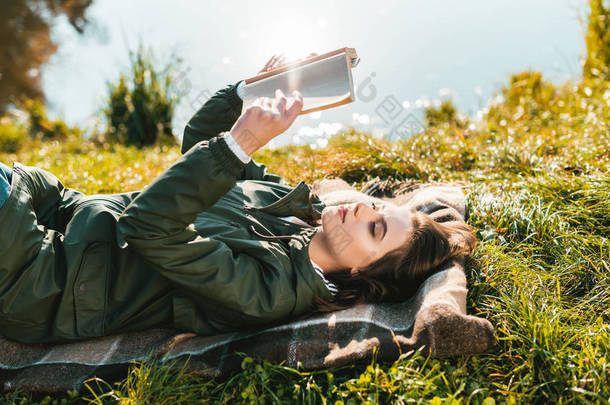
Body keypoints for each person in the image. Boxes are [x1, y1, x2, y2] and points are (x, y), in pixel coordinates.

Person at [0, 55, 476, 344]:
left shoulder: (266, 293)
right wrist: (248, 93)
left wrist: (240, 145)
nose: (364, 209)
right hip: (63, 208)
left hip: (46, 280)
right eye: (378, 208)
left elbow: (147, 227)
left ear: (362, 273)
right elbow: (200, 143)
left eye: (376, 229)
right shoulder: (292, 206)